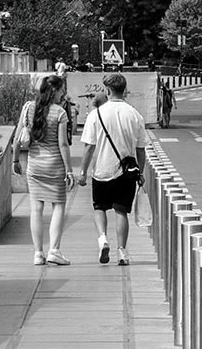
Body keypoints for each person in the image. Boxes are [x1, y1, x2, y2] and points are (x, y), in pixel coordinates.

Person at [81, 72, 149, 266]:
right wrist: (141, 173)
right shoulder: (134, 114)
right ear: (124, 90)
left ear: (107, 90)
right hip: (127, 172)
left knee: (99, 208)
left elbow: (88, 146)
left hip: (102, 170)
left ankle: (102, 239)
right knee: (121, 211)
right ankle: (122, 252)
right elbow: (141, 148)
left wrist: (83, 172)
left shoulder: (96, 114)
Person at [19, 74, 76, 266]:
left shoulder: (29, 108)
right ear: (54, 91)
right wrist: (69, 171)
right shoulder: (60, 113)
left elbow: (18, 136)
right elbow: (63, 144)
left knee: (36, 209)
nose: (63, 93)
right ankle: (54, 250)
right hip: (55, 166)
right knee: (58, 206)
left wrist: (14, 160)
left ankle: (38, 253)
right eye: (61, 90)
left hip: (34, 165)